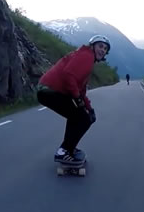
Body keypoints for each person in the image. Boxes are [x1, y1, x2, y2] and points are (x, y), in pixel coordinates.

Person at [36, 35, 111, 164]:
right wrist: (77, 99)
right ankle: (64, 151)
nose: (103, 50)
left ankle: (68, 149)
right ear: (92, 46)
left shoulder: (86, 56)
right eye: (100, 46)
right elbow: (68, 75)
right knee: (83, 119)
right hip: (50, 91)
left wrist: (89, 107)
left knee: (78, 116)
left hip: (48, 91)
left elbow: (81, 90)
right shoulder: (86, 56)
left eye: (105, 49)